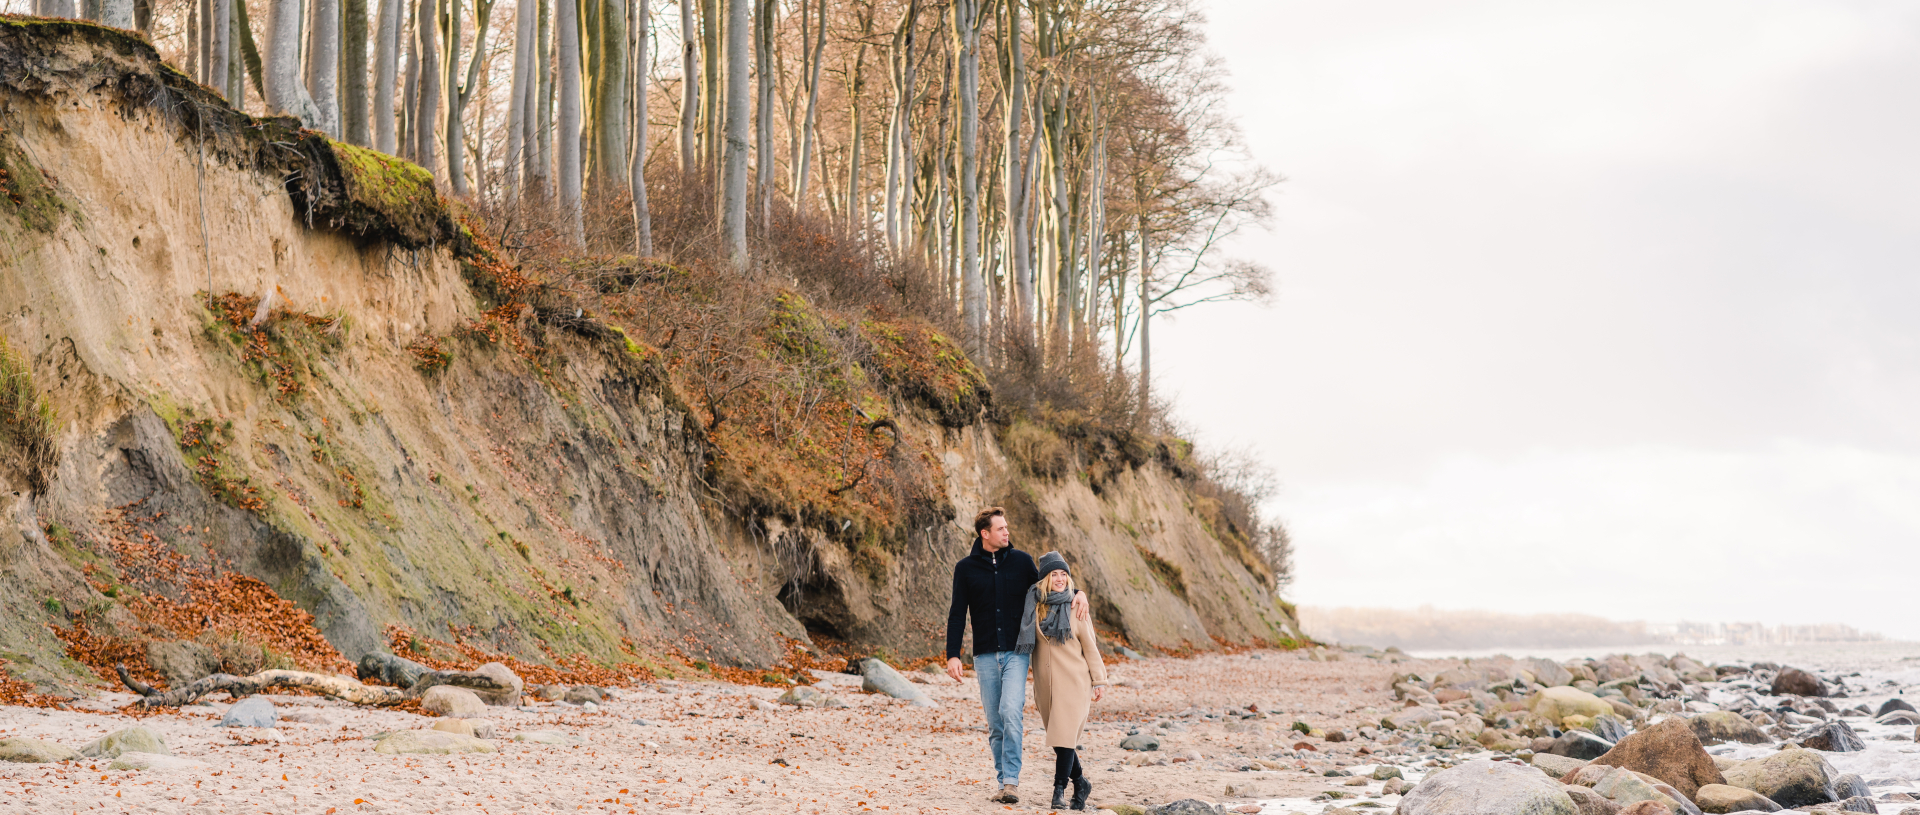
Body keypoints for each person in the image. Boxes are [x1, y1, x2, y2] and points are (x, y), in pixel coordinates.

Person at [946, 507, 1088, 805]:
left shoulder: (1023, 562)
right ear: (985, 534)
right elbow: (957, 612)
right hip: (984, 654)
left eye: (1007, 527)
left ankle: (1011, 782)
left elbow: (1052, 586)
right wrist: (952, 655)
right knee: (996, 722)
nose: (1007, 532)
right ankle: (1003, 781)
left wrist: (1079, 593)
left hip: (1017, 652)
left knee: (1011, 712)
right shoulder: (965, 568)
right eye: (1001, 529)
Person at [1026, 552, 1106, 811]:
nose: (1060, 579)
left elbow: (1090, 647)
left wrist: (1099, 680)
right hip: (1046, 686)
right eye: (1054, 574)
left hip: (1075, 683)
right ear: (1045, 579)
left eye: (1064, 574)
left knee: (1065, 737)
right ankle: (1081, 782)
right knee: (1061, 740)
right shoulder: (1034, 606)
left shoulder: (1076, 607)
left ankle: (1058, 790)